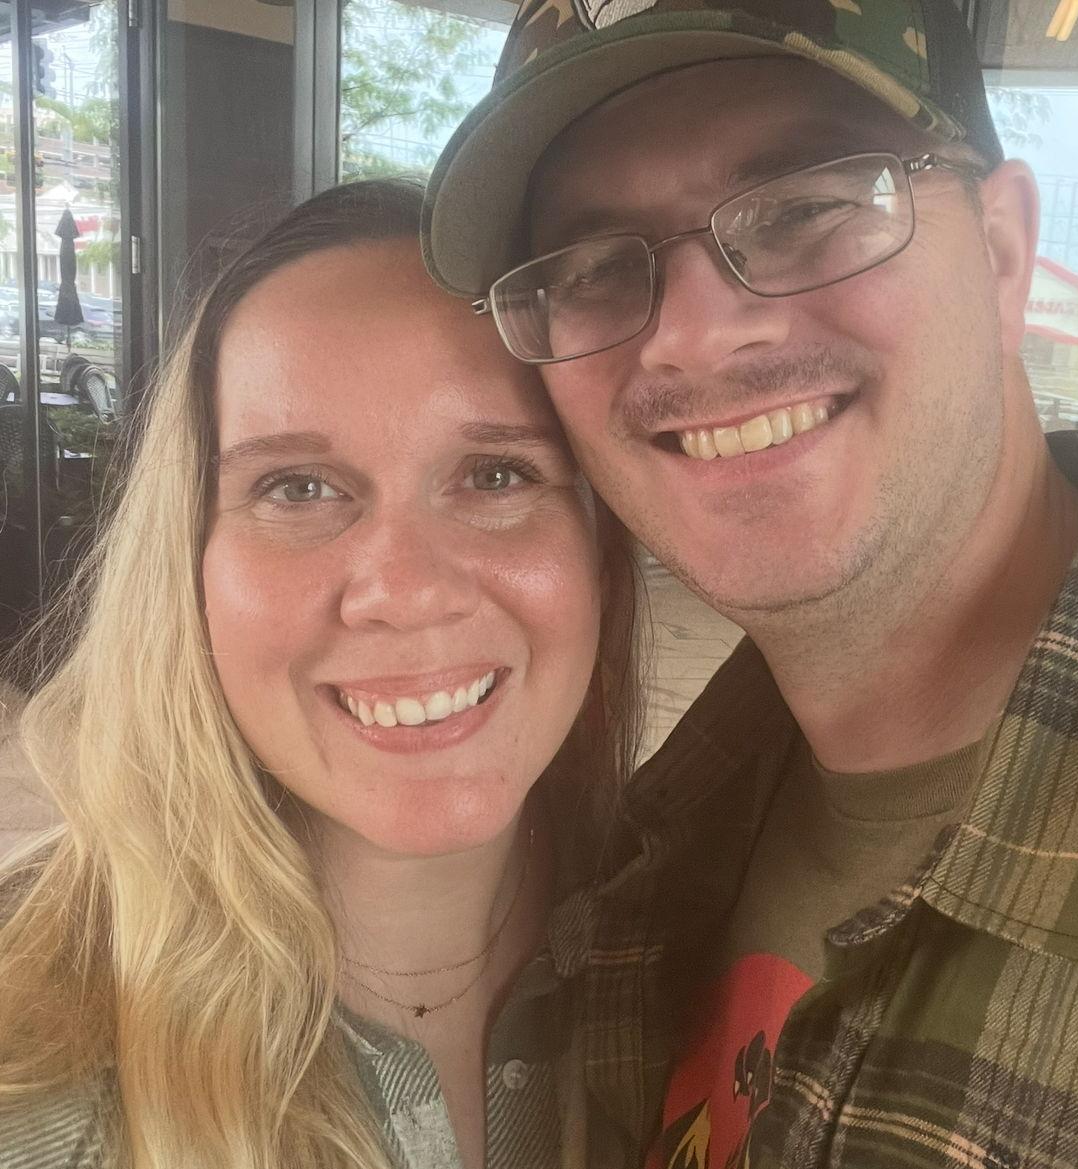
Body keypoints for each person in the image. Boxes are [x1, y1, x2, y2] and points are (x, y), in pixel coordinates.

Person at [421, 2, 1078, 1166]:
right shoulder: (651, 835)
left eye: (806, 208)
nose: (691, 337)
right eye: (589, 268)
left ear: (1002, 253)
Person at [0, 179, 645, 1169]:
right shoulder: (37, 1072)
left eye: (497, 473)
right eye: (297, 486)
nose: (404, 590)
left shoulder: (698, 936)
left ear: (600, 554)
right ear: (188, 565)